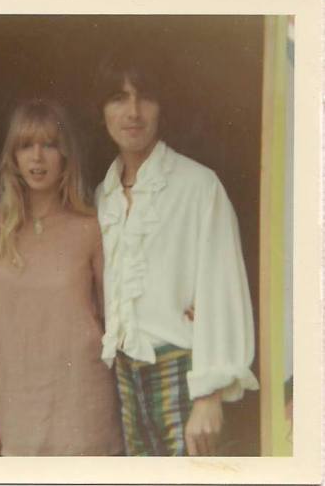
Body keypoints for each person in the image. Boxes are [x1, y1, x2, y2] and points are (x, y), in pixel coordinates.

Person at [93, 50, 259, 456]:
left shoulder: (198, 185)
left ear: (161, 106)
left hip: (184, 378)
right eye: (118, 98)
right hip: (124, 384)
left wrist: (209, 394)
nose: (133, 111)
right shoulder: (103, 195)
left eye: (144, 97)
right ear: (102, 111)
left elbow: (221, 289)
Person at [0, 98, 123, 456]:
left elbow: (116, 318)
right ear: (13, 156)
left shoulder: (91, 227)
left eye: (49, 145)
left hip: (83, 405)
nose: (37, 158)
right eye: (26, 146)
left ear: (66, 156)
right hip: (16, 410)